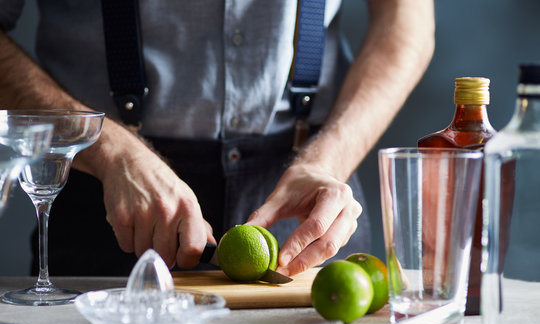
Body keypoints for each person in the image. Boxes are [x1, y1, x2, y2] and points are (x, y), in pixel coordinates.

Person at [0, 0, 434, 277]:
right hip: (111, 195)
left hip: (311, 194)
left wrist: (328, 161)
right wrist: (110, 149)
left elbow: (406, 20)